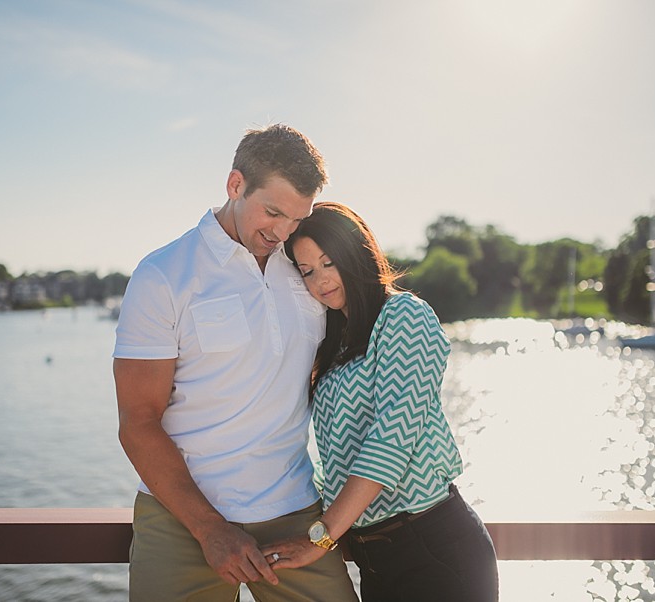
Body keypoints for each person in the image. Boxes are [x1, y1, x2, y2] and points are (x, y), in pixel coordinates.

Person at [112, 125, 358, 601]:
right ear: (235, 185)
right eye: (273, 212)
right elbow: (137, 421)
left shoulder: (304, 266)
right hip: (183, 516)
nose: (283, 231)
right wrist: (209, 529)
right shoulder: (163, 274)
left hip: (293, 511)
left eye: (296, 218)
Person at [264, 202, 499, 601]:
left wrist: (320, 537)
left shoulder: (404, 316)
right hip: (375, 559)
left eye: (328, 262)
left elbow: (391, 439)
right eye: (307, 271)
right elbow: (333, 456)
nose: (320, 280)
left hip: (432, 547)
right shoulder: (335, 343)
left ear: (356, 254)